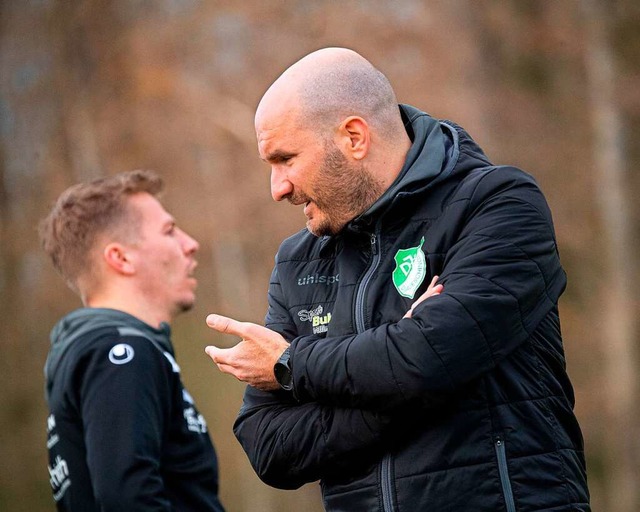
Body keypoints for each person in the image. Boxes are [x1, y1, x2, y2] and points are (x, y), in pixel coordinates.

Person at [205, 48, 590, 511]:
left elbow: (424, 360)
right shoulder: (297, 261)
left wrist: (292, 365)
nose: (277, 188)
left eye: (285, 159)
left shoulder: (498, 204)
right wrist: (404, 373)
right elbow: (270, 446)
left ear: (353, 137)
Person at [40, 170, 225, 511]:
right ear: (120, 258)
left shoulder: (103, 353)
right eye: (169, 231)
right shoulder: (121, 355)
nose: (190, 243)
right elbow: (128, 499)